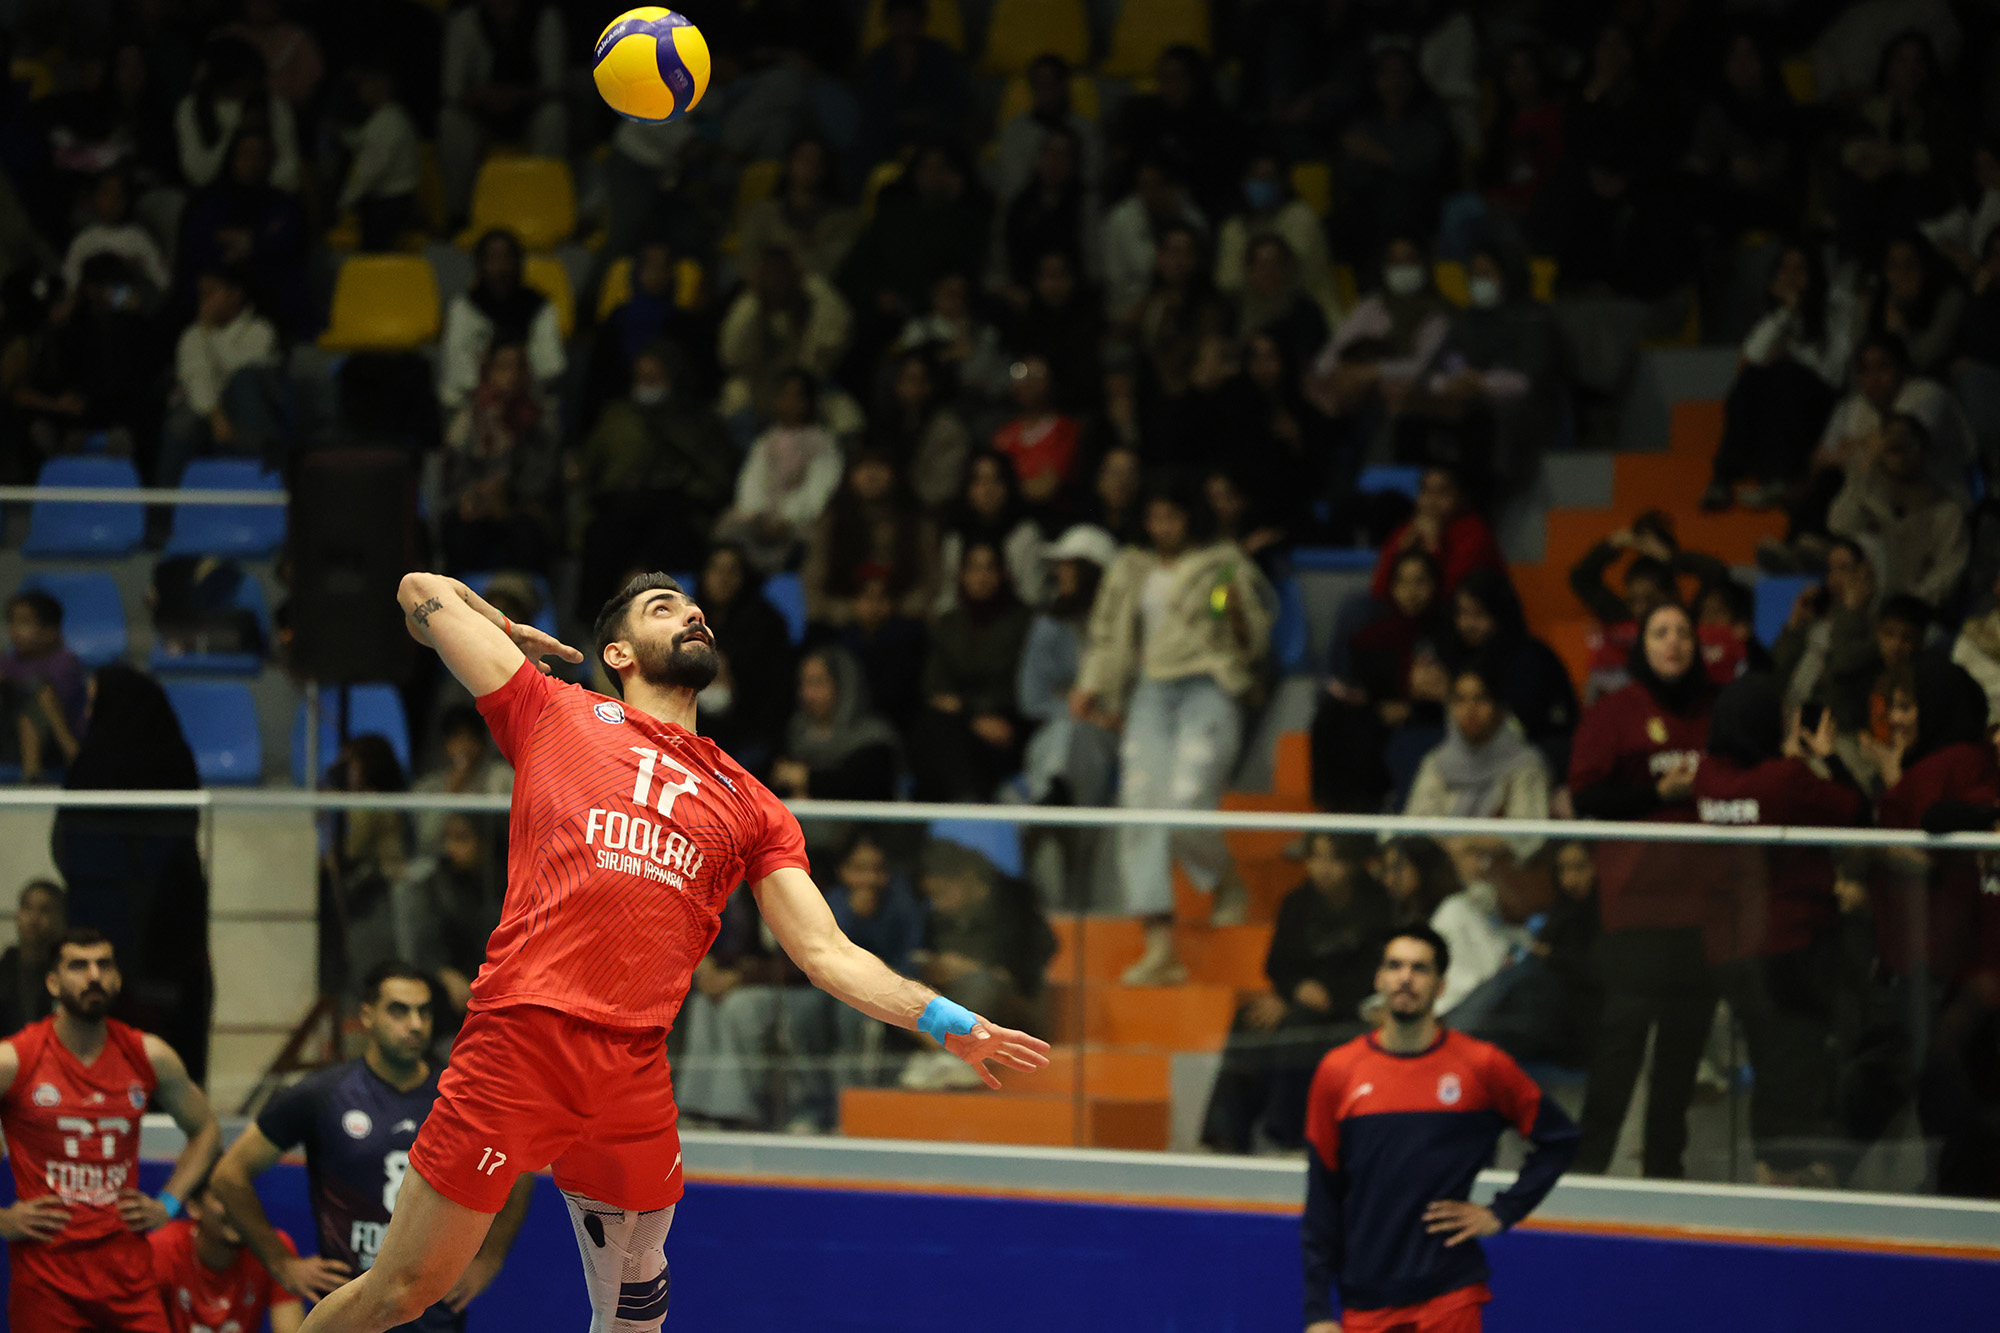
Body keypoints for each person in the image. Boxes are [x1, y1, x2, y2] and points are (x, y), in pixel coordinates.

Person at [291, 570, 1046, 1333]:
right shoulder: (551, 708)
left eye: (694, 608)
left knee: (634, 1318)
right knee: (403, 1291)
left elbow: (826, 952)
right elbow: (417, 589)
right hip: (522, 1040)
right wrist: (508, 630)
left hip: (633, 1071)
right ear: (617, 652)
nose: (693, 614)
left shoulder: (752, 803)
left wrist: (945, 1019)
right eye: (664, 607)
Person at [211, 964, 534, 1329]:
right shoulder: (322, 1094)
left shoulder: (459, 1097)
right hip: (352, 1315)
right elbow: (229, 1175)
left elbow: (518, 1173)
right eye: (399, 1010)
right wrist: (281, 1262)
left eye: (424, 1012)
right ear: (366, 1016)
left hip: (436, 1319)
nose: (415, 1024)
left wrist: (489, 1259)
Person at [1302, 927, 1579, 1333]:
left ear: (1441, 986)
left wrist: (1501, 1212)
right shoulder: (1337, 1071)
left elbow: (1560, 1140)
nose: (1405, 978)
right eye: (1394, 966)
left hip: (1449, 1297)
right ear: (1379, 980)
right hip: (1365, 1301)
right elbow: (1322, 1197)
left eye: (1420, 969)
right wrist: (1317, 1312)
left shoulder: (1481, 1065)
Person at [1074, 482, 1273, 984]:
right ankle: (1160, 945)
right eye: (1154, 517)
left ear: (1191, 517)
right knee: (1141, 810)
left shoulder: (1221, 565)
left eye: (1172, 517)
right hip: (1149, 692)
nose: (1162, 527)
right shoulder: (1130, 568)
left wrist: (1234, 614)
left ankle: (1225, 882)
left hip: (1208, 686)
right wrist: (1093, 683)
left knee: (1187, 802)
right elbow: (1107, 632)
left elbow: (1246, 633)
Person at [0, 927, 220, 1333]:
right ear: (53, 982)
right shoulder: (15, 1060)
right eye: (78, 966)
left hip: (129, 1280)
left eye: (104, 965)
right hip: (46, 1282)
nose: (93, 976)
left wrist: (168, 1203)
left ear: (117, 979)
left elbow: (207, 1129)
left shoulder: (148, 1055)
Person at [1693, 675, 1868, 1184]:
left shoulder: (1707, 777)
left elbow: (1752, 793)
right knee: (1797, 1060)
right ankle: (1788, 1174)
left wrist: (1785, 761)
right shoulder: (1786, 779)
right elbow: (1857, 810)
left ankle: (1772, 1169)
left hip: (1728, 948)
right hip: (1790, 945)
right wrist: (1827, 759)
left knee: (1770, 1059)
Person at [1569, 603, 1719, 1179]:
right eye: (1661, 633)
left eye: (1683, 632)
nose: (1673, 642)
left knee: (1683, 1050)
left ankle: (1664, 1173)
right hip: (1636, 906)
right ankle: (1587, 1171)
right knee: (1620, 1045)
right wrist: (1658, 793)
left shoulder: (1717, 710)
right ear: (1643, 646)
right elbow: (1587, 797)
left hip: (1704, 908)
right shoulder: (1615, 712)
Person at [52, 666, 214, 1082]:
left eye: (94, 703)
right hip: (160, 950)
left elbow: (65, 848)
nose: (88, 713)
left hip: (136, 943)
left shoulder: (93, 768)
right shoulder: (174, 758)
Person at [1202, 834, 1389, 1154]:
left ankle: (1284, 1131)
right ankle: (1226, 1132)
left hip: (1352, 1011)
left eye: (1334, 859)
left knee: (1298, 1027)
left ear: (1355, 863)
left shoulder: (1379, 907)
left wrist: (1328, 996)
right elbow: (1278, 964)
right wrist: (1294, 990)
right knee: (1250, 1020)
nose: (1323, 868)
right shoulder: (1297, 903)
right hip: (1297, 1002)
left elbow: (1377, 971)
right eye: (1316, 858)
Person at [1702, 244, 1854, 512]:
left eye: (1800, 268)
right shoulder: (1781, 312)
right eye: (1784, 268)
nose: (1791, 276)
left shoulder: (1837, 309)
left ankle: (1783, 477)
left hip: (1823, 404)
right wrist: (1786, 313)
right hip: (1783, 402)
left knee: (1785, 374)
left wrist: (1793, 356)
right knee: (1752, 378)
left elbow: (1834, 372)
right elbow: (1753, 356)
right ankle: (1724, 478)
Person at [911, 542, 1031, 803]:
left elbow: (1019, 688)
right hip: (958, 726)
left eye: (989, 569)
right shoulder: (949, 625)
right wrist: (973, 717)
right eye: (974, 568)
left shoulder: (1023, 624)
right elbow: (935, 690)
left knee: (941, 742)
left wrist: (969, 710)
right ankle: (967, 804)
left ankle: (963, 809)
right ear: (962, 576)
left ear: (1002, 575)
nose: (981, 577)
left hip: (1007, 729)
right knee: (932, 730)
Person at [1017, 525, 1119, 807]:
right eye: (1060, 566)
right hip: (1057, 733)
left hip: (1116, 736)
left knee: (1079, 737)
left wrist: (1101, 715)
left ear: (1094, 572)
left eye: (1070, 566)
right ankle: (1053, 801)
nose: (1061, 573)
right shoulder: (1048, 626)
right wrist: (1082, 711)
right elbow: (1032, 699)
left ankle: (1057, 805)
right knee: (1066, 734)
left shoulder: (1123, 627)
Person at [437, 0, 566, 222]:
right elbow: (452, 91)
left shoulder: (545, 19)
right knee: (449, 120)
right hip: (480, 116)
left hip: (529, 113)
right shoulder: (464, 22)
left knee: (554, 116)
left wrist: (517, 95)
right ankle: (459, 215)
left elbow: (555, 85)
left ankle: (545, 208)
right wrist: (486, 96)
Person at [438, 342, 560, 575]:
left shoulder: (540, 423)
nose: (511, 376)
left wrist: (506, 491)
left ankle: (520, 596)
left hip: (522, 509)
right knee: (460, 531)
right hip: (477, 508)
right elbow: (453, 479)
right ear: (488, 372)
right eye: (503, 367)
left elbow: (542, 483)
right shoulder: (468, 421)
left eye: (518, 368)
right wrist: (475, 495)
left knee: (526, 534)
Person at [158, 266, 285, 485]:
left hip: (249, 415)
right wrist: (216, 416)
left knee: (244, 382)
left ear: (235, 295)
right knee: (182, 424)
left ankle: (263, 488)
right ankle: (165, 502)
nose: (203, 301)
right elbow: (196, 378)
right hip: (209, 415)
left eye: (210, 293)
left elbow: (237, 372)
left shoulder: (260, 330)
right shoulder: (193, 334)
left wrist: (209, 338)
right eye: (201, 294)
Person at [712, 371, 846, 575]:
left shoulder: (823, 443)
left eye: (797, 397)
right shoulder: (766, 441)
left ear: (809, 402)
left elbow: (821, 489)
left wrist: (787, 518)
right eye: (785, 395)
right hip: (761, 520)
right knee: (727, 526)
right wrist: (759, 515)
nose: (790, 403)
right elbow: (751, 482)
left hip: (799, 522)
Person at [150, 1178, 303, 1333]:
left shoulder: (273, 1249)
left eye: (243, 1196)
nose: (237, 1209)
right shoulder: (161, 1248)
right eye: (222, 1196)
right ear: (194, 1207)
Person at [691, 544, 796, 772]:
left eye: (732, 571)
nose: (723, 579)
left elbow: (777, 689)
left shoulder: (767, 623)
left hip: (750, 729)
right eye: (716, 569)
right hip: (694, 727)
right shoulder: (687, 618)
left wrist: (732, 677)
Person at [437, 230, 564, 412]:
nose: (501, 268)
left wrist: (516, 389)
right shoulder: (463, 307)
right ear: (479, 264)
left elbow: (550, 366)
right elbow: (457, 368)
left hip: (529, 401)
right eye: (492, 259)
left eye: (507, 259)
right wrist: (487, 395)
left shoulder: (539, 307)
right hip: (472, 403)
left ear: (519, 263)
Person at [1366, 465, 1505, 604]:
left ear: (1462, 497)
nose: (1432, 500)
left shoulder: (1474, 532)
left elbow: (1455, 594)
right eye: (1426, 491)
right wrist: (1399, 550)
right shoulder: (1410, 528)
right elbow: (1378, 590)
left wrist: (1434, 546)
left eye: (1442, 492)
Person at [336, 58, 422, 252]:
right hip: (394, 203)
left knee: (372, 255)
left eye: (364, 82)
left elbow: (369, 170)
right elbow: (363, 141)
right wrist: (340, 133)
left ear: (381, 84)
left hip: (389, 207)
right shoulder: (390, 116)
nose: (359, 89)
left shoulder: (387, 122)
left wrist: (345, 202)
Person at [3, 589, 88, 778]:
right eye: (12, 622)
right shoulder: (10, 663)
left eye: (24, 623)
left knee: (36, 691)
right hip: (11, 742)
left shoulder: (64, 663)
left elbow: (56, 705)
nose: (14, 630)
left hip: (55, 742)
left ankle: (34, 771)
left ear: (50, 631)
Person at [410, 707, 513, 856]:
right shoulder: (428, 787)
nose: (463, 745)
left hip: (496, 858)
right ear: (445, 744)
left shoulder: (502, 777)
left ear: (483, 742)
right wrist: (452, 790)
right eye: (456, 738)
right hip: (443, 860)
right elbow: (427, 840)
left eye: (470, 738)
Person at [0, 879, 64, 1034]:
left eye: (45, 910)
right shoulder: (4, 970)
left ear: (60, 919)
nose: (34, 918)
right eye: (27, 908)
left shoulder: (65, 973)